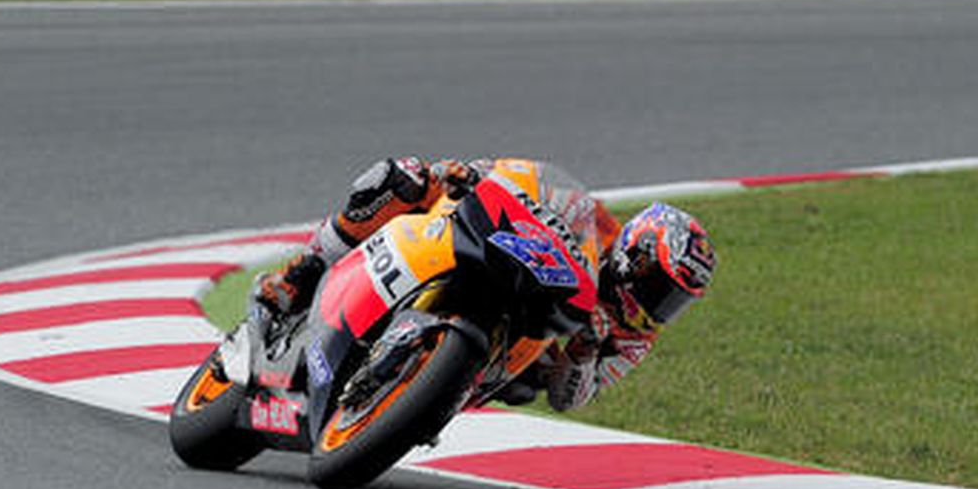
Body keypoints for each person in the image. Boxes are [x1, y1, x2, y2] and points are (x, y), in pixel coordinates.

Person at [253, 156, 717, 412]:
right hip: (502, 255)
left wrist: (583, 352)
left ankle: (423, 393)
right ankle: (300, 276)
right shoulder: (593, 221)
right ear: (637, 255)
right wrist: (476, 173)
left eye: (675, 300)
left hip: (514, 348)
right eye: (661, 288)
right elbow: (523, 179)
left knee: (529, 386)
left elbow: (568, 400)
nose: (660, 306)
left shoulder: (634, 336)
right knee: (404, 178)